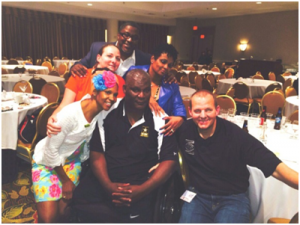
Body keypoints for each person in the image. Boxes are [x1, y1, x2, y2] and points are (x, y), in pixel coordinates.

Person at [72, 69, 178, 224]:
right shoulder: (106, 113)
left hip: (141, 184)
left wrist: (143, 189)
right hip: (106, 180)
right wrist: (108, 185)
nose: (141, 96)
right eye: (135, 90)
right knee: (79, 201)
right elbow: (97, 153)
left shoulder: (159, 118)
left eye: (146, 90)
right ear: (124, 90)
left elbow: (170, 160)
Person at [177, 90, 299, 224]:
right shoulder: (184, 130)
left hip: (232, 197)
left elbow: (271, 164)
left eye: (208, 110)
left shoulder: (234, 135)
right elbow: (166, 146)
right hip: (198, 195)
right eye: (197, 111)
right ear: (190, 111)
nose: (203, 115)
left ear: (217, 110)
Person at [32, 72, 119, 224]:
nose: (112, 98)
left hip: (72, 162)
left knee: (62, 215)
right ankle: (40, 212)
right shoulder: (69, 115)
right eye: (108, 92)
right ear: (95, 92)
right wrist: (65, 181)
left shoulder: (102, 110)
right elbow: (50, 151)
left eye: (115, 94)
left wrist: (151, 100)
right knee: (48, 220)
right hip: (47, 162)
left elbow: (127, 101)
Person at [47, 44, 124, 136]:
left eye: (118, 58)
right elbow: (64, 105)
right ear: (98, 57)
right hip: (76, 129)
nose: (114, 61)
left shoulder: (120, 81)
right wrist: (54, 118)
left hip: (104, 131)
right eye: (109, 56)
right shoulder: (80, 75)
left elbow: (117, 114)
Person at [124, 43, 187, 136]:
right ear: (153, 59)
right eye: (163, 61)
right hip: (130, 128)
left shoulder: (171, 84)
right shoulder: (134, 72)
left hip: (158, 132)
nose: (166, 67)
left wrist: (180, 117)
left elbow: (178, 106)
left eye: (170, 65)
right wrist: (147, 97)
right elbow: (121, 92)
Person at [71, 21, 151, 78]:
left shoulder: (144, 59)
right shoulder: (98, 48)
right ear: (118, 35)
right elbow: (79, 65)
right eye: (126, 35)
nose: (129, 40)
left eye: (135, 38)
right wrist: (76, 67)